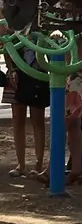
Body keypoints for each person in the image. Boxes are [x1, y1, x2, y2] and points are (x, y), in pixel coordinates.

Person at [3, 42, 49, 177]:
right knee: (17, 119)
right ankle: (21, 165)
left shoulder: (40, 31)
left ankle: (38, 164)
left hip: (38, 73)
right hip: (16, 74)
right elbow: (6, 45)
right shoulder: (13, 30)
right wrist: (10, 68)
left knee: (38, 120)